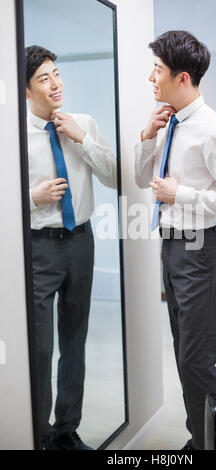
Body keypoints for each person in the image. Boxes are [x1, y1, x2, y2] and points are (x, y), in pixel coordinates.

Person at [135, 31, 216, 450]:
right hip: (172, 248)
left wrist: (179, 195)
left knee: (196, 361)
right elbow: (139, 180)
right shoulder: (167, 121)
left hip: (202, 250)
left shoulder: (213, 129)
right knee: (185, 358)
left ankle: (214, 442)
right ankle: (200, 438)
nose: (152, 78)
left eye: (158, 71)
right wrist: (147, 136)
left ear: (182, 77)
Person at [25, 45, 117, 450]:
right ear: (27, 91)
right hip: (38, 249)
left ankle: (66, 430)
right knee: (41, 347)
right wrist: (33, 196)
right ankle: (39, 434)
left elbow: (116, 177)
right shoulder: (13, 139)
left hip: (81, 241)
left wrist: (83, 140)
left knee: (75, 341)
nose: (55, 84)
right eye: (43, 78)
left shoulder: (84, 123)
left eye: (56, 74)